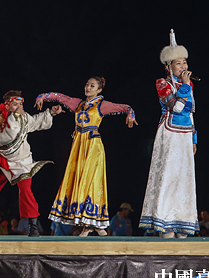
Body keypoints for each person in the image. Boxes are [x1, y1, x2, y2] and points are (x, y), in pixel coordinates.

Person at [35, 78, 137, 236]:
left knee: (91, 180)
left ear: (99, 90)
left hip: (93, 146)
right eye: (87, 85)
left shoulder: (101, 105)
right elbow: (62, 98)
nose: (88, 88)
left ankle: (91, 220)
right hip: (78, 146)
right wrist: (43, 96)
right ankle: (89, 224)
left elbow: (125, 107)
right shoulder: (79, 104)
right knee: (78, 178)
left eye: (92, 86)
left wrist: (131, 114)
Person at [0, 90, 64, 237]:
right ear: (7, 106)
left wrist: (51, 112)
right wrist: (11, 113)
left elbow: (36, 121)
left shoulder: (24, 118)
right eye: (15, 104)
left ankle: (33, 227)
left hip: (22, 162)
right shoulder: (3, 120)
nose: (20, 106)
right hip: (4, 161)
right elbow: (7, 137)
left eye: (21, 103)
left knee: (26, 192)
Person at [139, 30, 200, 238]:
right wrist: (184, 85)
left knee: (184, 178)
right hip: (169, 134)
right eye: (178, 63)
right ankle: (165, 223)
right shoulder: (162, 83)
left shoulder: (187, 85)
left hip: (184, 136)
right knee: (168, 175)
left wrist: (193, 138)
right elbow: (175, 107)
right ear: (168, 67)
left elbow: (190, 113)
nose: (183, 67)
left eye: (185, 62)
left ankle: (182, 222)